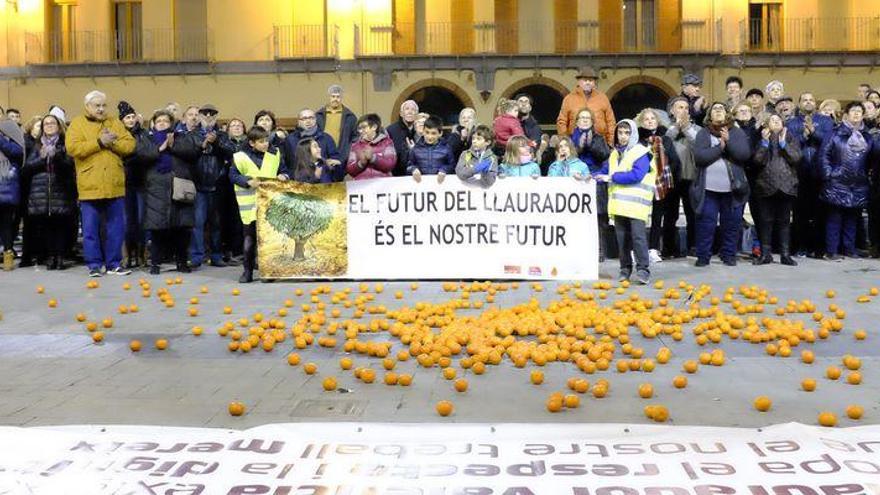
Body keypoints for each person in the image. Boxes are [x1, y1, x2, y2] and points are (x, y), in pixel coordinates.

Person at [66, 90, 136, 277]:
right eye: (97, 105)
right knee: (90, 229)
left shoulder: (115, 123)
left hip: (114, 184)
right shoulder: (77, 124)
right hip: (90, 186)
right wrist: (99, 142)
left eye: (104, 105)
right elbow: (73, 148)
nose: (101, 109)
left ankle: (114, 263)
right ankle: (94, 265)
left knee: (116, 228)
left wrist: (111, 143)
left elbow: (130, 145)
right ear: (87, 106)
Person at [691, 102, 752, 267]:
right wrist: (721, 147)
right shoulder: (703, 133)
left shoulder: (736, 132)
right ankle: (703, 256)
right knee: (706, 223)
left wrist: (729, 142)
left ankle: (729, 255)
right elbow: (700, 157)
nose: (718, 111)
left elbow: (743, 155)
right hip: (708, 189)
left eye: (721, 109)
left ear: (727, 114)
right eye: (714, 109)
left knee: (732, 224)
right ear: (709, 115)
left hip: (733, 189)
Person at [595, 120, 655, 284]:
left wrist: (611, 178)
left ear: (633, 134)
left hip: (636, 206)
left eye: (627, 133)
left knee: (638, 238)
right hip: (619, 205)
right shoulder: (614, 154)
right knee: (622, 240)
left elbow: (636, 175)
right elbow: (604, 172)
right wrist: (589, 177)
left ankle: (643, 270)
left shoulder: (641, 152)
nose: (623, 136)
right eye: (620, 133)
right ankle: (625, 269)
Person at [230, 126, 290, 283]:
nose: (265, 144)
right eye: (261, 142)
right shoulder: (240, 157)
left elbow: (284, 170)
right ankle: (247, 271)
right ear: (251, 143)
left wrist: (283, 175)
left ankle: (269, 270)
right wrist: (247, 181)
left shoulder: (275, 154)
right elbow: (233, 176)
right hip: (249, 206)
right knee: (250, 238)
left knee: (270, 238)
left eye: (266, 141)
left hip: (270, 203)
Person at [21, 114, 76, 270]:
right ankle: (50, 256)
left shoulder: (65, 144)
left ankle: (60, 257)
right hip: (41, 192)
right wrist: (41, 159)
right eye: (46, 124)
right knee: (46, 226)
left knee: (60, 225)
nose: (49, 125)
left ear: (59, 126)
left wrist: (56, 156)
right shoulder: (36, 146)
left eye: (53, 123)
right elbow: (26, 169)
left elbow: (70, 165)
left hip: (61, 190)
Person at [820, 102, 873, 260]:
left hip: (858, 183)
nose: (856, 114)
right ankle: (831, 251)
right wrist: (829, 174)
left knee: (852, 218)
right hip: (837, 181)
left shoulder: (868, 136)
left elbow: (870, 159)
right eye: (853, 111)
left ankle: (849, 249)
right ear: (846, 114)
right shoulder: (835, 133)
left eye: (859, 111)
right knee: (834, 218)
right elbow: (824, 155)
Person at [787, 92, 834, 258]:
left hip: (819, 172)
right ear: (799, 103)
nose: (808, 102)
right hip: (798, 173)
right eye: (804, 100)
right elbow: (789, 145)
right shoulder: (791, 123)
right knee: (800, 214)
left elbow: (829, 142)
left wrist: (814, 132)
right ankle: (801, 246)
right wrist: (803, 136)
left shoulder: (826, 121)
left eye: (811, 100)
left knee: (820, 213)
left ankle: (818, 248)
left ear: (816, 103)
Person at [752, 113, 802, 266]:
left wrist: (783, 144)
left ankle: (785, 255)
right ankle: (765, 254)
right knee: (765, 221)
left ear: (783, 124)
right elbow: (757, 161)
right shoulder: (761, 139)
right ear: (766, 125)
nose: (775, 122)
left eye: (778, 120)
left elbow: (796, 158)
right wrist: (765, 144)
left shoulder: (790, 138)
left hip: (786, 186)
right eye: (771, 121)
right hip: (766, 185)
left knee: (784, 222)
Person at [637, 108, 681, 262]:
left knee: (657, 218)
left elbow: (675, 161)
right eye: (646, 119)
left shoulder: (666, 139)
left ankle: (653, 249)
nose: (650, 121)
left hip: (660, 184)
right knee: (639, 217)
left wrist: (665, 176)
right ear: (641, 122)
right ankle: (638, 249)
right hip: (641, 183)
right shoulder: (637, 140)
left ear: (658, 121)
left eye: (652, 119)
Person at [190, 103, 231, 269]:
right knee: (197, 223)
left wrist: (215, 144)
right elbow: (188, 154)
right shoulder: (192, 134)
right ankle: (196, 257)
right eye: (205, 114)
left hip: (217, 184)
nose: (208, 117)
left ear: (216, 116)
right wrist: (203, 144)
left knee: (216, 224)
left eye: (211, 114)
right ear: (199, 116)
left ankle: (216, 255)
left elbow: (230, 152)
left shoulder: (222, 135)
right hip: (198, 184)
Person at [570, 108, 611, 259]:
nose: (585, 120)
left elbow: (604, 156)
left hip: (595, 179)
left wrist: (590, 143)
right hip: (576, 178)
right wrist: (579, 147)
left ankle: (600, 251)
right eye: (582, 118)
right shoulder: (570, 139)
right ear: (576, 122)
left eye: (588, 118)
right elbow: (566, 156)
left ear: (592, 121)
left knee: (599, 218)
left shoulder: (599, 138)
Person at [666, 96, 701, 256]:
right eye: (680, 107)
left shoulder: (697, 129)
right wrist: (675, 128)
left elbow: (698, 145)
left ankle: (693, 246)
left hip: (690, 176)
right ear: (672, 111)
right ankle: (669, 248)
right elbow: (664, 143)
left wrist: (686, 128)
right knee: (670, 215)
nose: (683, 111)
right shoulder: (665, 127)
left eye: (686, 108)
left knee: (692, 214)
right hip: (671, 178)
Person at [119, 101, 149, 268]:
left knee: (141, 220)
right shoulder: (119, 134)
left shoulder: (142, 134)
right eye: (127, 117)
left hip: (141, 182)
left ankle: (141, 254)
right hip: (124, 183)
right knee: (126, 221)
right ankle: (126, 255)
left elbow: (147, 152)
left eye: (132, 117)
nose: (130, 120)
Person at [556, 66, 616, 144]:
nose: (588, 82)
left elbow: (611, 122)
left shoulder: (603, 98)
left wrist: (610, 143)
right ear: (579, 81)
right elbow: (562, 122)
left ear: (594, 82)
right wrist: (566, 142)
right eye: (585, 80)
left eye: (590, 80)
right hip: (575, 142)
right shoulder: (569, 98)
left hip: (600, 142)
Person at [287, 108, 344, 182]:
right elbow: (288, 163)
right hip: (299, 182)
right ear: (298, 121)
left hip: (325, 181)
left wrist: (335, 166)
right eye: (304, 118)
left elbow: (334, 160)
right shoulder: (290, 139)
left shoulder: (326, 138)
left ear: (316, 119)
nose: (308, 121)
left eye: (311, 118)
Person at [218, 118, 247, 260]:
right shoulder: (223, 142)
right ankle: (228, 249)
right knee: (227, 217)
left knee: (241, 218)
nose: (236, 127)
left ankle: (240, 250)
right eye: (233, 125)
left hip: (244, 183)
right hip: (226, 184)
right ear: (228, 129)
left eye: (239, 125)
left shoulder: (248, 144)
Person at [0, 111, 24, 271]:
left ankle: (7, 253)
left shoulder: (10, 130)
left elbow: (18, 152)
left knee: (6, 222)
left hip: (6, 182)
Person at [316, 84, 357, 170]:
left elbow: (355, 138)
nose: (335, 99)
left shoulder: (350, 117)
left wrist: (346, 154)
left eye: (338, 97)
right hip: (322, 155)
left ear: (342, 98)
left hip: (342, 157)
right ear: (328, 97)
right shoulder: (318, 116)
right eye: (333, 96)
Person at [346, 113, 397, 180]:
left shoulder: (387, 142)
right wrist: (361, 163)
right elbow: (350, 170)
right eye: (359, 128)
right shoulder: (355, 146)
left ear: (374, 127)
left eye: (364, 127)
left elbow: (390, 164)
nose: (360, 131)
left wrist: (373, 158)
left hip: (383, 186)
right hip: (361, 186)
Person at [407, 116, 454, 183]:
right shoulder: (416, 148)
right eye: (427, 132)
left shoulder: (446, 148)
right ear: (423, 131)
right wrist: (413, 169)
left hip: (440, 186)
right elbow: (409, 165)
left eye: (433, 133)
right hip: (421, 187)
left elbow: (452, 166)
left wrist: (444, 170)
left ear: (440, 133)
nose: (430, 136)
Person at [387, 100, 419, 176]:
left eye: (413, 109)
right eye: (407, 109)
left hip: (417, 174)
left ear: (416, 114)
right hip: (397, 175)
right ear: (401, 114)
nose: (410, 112)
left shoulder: (421, 130)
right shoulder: (391, 130)